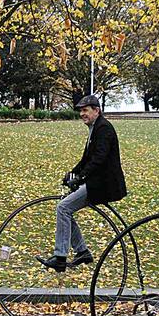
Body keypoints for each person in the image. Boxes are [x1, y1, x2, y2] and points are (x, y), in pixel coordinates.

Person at [37, 94, 127, 271]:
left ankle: (61, 257)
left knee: (63, 208)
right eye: (81, 111)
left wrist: (80, 178)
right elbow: (87, 159)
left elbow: (99, 160)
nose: (82, 114)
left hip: (103, 185)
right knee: (66, 209)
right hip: (96, 182)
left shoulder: (104, 129)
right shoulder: (96, 128)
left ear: (97, 111)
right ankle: (82, 252)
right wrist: (73, 173)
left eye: (85, 110)